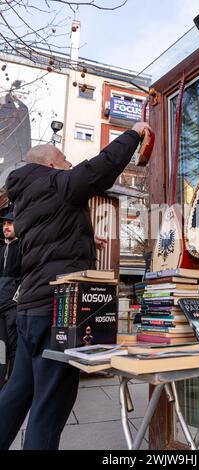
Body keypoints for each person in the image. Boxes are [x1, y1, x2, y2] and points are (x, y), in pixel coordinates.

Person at [0, 121, 151, 450]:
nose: (70, 165)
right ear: (52, 164)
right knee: (49, 406)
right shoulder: (57, 182)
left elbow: (51, 235)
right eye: (66, 160)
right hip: (59, 309)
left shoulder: (25, 197)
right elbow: (100, 168)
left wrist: (83, 234)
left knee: (15, 395)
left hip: (30, 311)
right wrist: (134, 133)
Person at [0, 210, 22, 389]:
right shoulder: (1, 250)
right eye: (4, 224)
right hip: (0, 306)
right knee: (0, 348)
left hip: (13, 307)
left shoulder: (23, 247)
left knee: (14, 347)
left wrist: (16, 299)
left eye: (10, 223)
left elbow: (28, 275)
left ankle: (14, 385)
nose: (6, 227)